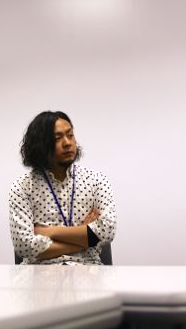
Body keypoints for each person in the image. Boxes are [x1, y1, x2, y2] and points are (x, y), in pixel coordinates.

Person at [9, 111, 116, 264]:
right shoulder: (22, 187)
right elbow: (25, 246)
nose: (67, 143)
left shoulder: (96, 180)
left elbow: (107, 231)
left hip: (88, 271)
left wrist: (49, 232)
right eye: (57, 138)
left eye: (70, 135)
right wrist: (85, 237)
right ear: (40, 145)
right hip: (39, 273)